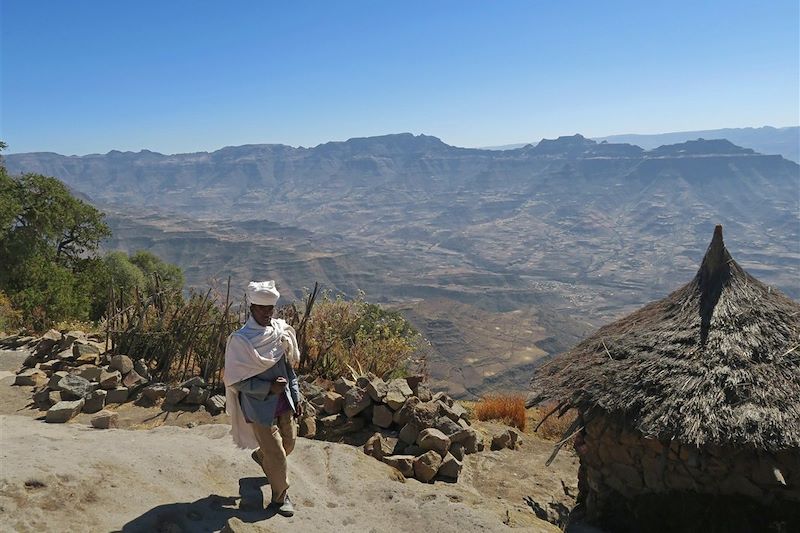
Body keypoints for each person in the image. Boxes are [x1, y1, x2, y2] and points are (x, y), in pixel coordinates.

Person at [223, 280, 302, 517]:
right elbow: (236, 380)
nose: (268, 313)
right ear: (252, 309)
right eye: (262, 309)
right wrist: (268, 388)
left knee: (289, 443)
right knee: (277, 453)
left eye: (270, 309)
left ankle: (261, 456)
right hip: (259, 407)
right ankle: (280, 498)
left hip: (284, 402)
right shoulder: (241, 341)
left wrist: (295, 396)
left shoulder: (278, 332)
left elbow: (289, 370)